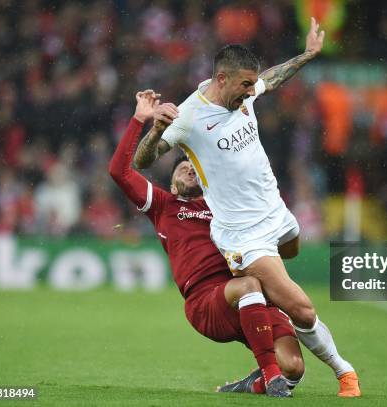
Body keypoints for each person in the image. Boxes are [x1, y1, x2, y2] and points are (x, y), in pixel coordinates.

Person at [133, 18, 360, 397]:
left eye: (252, 85)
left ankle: (273, 294)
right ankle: (345, 373)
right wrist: (155, 129)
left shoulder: (247, 90)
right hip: (242, 234)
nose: (251, 92)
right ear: (221, 79)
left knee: (293, 249)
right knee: (302, 309)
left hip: (275, 212)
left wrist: (307, 55)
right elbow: (143, 161)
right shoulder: (189, 117)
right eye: (244, 85)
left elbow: (272, 77)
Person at [109, 90, 305, 397]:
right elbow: (119, 172)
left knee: (293, 366)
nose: (189, 166)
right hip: (206, 302)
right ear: (172, 180)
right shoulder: (163, 205)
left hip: (250, 296)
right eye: (181, 165)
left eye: (193, 165)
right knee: (250, 285)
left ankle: (255, 382)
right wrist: (139, 120)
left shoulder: (224, 204)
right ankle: (271, 375)